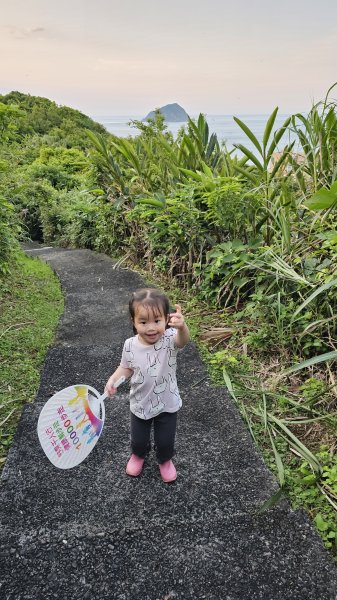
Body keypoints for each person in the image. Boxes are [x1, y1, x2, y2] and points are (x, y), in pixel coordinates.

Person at [105, 288, 190, 483]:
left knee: (165, 440)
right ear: (133, 322)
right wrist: (112, 380)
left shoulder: (169, 339)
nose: (151, 328)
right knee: (139, 439)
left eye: (157, 321)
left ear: (167, 319)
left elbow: (183, 341)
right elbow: (125, 368)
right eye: (143, 322)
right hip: (140, 402)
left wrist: (182, 328)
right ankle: (138, 455)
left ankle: (165, 460)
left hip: (167, 403)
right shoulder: (130, 345)